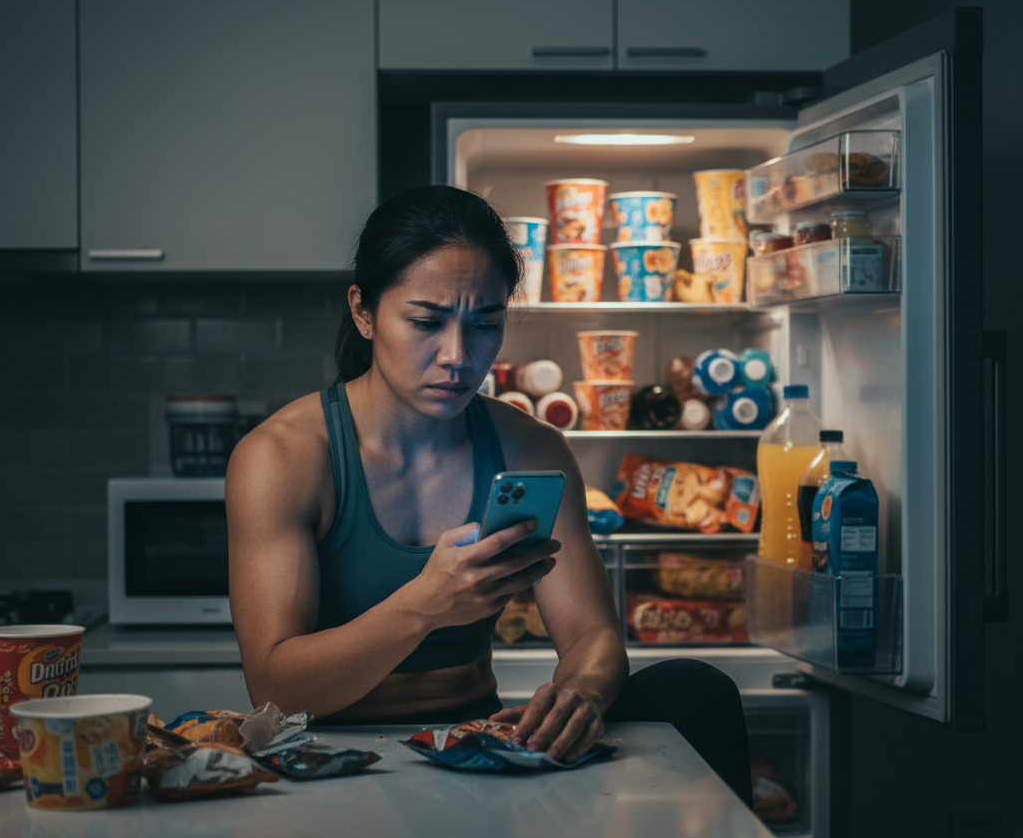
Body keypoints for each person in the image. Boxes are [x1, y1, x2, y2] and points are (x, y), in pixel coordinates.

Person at [226, 185, 751, 804]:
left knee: (695, 688)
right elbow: (275, 690)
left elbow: (592, 638)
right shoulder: (283, 457)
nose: (458, 356)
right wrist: (427, 603)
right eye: (426, 322)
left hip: (471, 756)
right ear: (364, 312)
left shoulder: (532, 449)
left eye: (484, 324)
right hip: (324, 765)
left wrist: (581, 693)